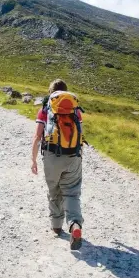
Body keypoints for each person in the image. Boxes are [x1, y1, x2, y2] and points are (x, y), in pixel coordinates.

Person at [31, 79, 84, 250]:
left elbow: (37, 137)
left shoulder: (46, 110)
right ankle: (75, 224)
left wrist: (33, 160)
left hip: (52, 156)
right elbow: (80, 136)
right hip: (73, 156)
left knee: (54, 190)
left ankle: (56, 225)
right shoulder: (76, 111)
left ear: (51, 93)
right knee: (72, 193)